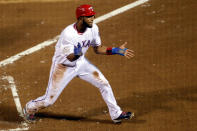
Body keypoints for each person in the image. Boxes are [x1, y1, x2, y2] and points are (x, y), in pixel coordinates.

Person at [23, 4, 134, 124]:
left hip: (80, 63)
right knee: (49, 101)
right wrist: (76, 54)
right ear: (80, 18)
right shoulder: (68, 34)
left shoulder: (93, 28)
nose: (92, 18)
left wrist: (115, 50)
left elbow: (98, 49)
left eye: (93, 16)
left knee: (104, 84)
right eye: (89, 16)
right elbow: (70, 58)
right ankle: (29, 108)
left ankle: (116, 114)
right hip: (63, 67)